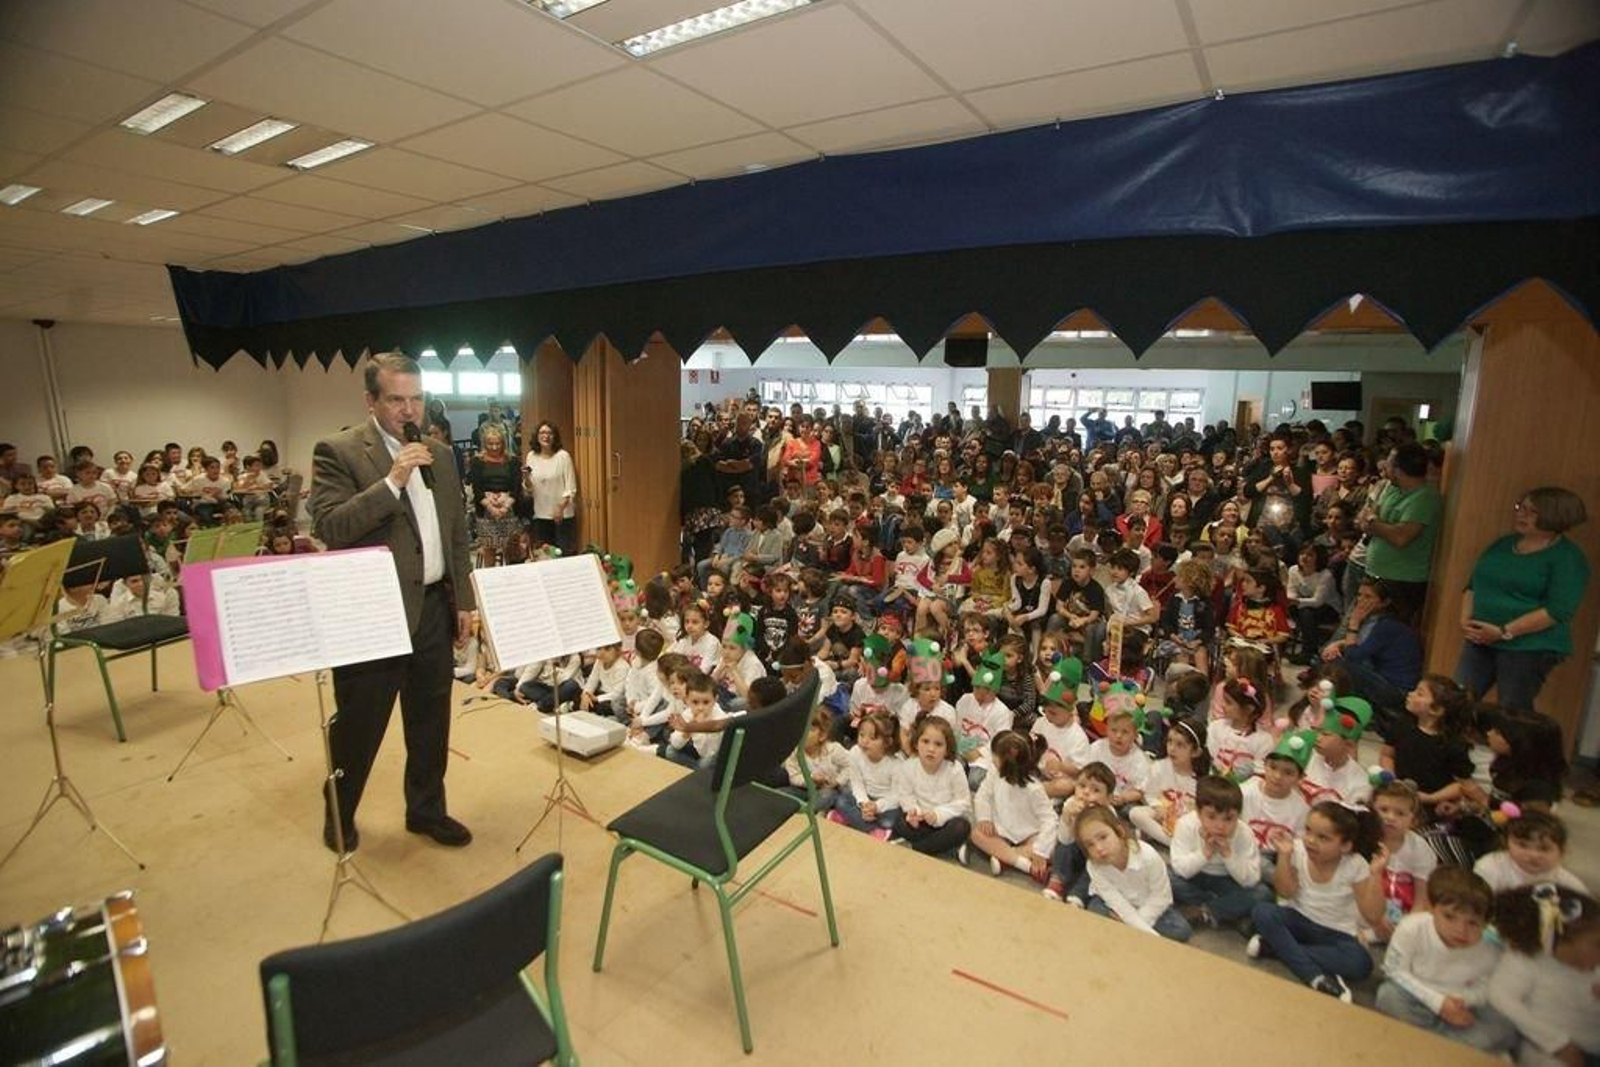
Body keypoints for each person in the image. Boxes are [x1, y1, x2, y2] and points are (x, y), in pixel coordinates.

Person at [309, 352, 475, 853]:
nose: (410, 410)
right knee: (360, 724)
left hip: (431, 608)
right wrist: (393, 480)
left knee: (430, 720)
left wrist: (463, 599)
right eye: (397, 399)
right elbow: (331, 526)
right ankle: (340, 809)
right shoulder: (337, 451)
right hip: (370, 613)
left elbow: (455, 533)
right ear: (372, 401)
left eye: (417, 399)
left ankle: (426, 810)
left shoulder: (440, 456)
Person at [1456, 487, 1590, 713]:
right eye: (1520, 508)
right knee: (1458, 701)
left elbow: (1558, 610)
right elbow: (1473, 584)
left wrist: (1504, 631)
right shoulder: (1503, 544)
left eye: (1532, 512)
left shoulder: (1568, 558)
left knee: (1512, 709)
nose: (1521, 515)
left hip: (1530, 646)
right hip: (1481, 638)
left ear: (1554, 517)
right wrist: (1466, 618)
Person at [1250, 802, 1386, 1002]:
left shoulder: (1355, 865)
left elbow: (1373, 915)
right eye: (1308, 831)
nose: (1311, 840)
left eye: (1323, 838)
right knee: (1263, 911)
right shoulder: (1296, 849)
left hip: (1336, 934)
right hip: (1298, 920)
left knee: (1361, 963)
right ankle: (1315, 977)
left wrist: (1375, 874)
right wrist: (1285, 857)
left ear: (1345, 846)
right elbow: (1286, 892)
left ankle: (1275, 948)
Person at [1375, 867, 1516, 1054]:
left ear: (1485, 923)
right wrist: (1438, 1003)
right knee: (1388, 996)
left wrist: (1462, 1001)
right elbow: (1394, 971)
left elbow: (1486, 988)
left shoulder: (1491, 950)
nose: (1460, 930)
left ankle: (1430, 1046)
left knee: (1504, 1024)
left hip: (1462, 1007)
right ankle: (1444, 1049)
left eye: (1472, 923)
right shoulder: (1412, 928)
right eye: (1449, 917)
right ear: (1432, 909)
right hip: (1417, 997)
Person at [1487, 884, 1600, 1067]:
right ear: (1562, 939)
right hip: (1547, 1047)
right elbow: (1501, 998)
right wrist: (1557, 1043)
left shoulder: (1593, 963)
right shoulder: (1527, 959)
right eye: (1598, 944)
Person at [1359, 442, 1441, 613]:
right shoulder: (1390, 487)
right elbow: (1364, 520)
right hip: (1374, 574)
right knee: (1357, 627)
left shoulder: (1425, 497)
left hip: (1402, 581)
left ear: (1398, 470)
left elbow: (1401, 537)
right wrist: (1377, 523)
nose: (1383, 466)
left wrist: (1374, 522)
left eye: (1388, 463)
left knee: (1384, 634)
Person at [524, 420, 577, 555]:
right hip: (540, 514)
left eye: (549, 433)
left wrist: (559, 508)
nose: (546, 436)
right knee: (545, 556)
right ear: (537, 436)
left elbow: (571, 488)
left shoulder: (563, 456)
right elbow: (529, 488)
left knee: (562, 554)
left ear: (555, 437)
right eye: (542, 433)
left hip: (562, 516)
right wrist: (525, 477)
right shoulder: (531, 456)